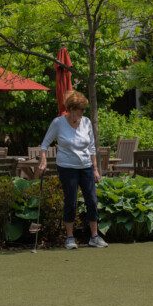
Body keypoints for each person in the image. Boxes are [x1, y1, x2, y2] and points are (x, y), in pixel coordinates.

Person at [37, 90, 108, 249]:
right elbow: (44, 145)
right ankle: (70, 238)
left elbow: (91, 147)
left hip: (86, 167)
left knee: (92, 200)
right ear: (71, 109)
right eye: (79, 110)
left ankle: (94, 237)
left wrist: (95, 169)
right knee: (71, 201)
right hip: (67, 167)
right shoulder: (58, 123)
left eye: (83, 110)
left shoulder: (87, 122)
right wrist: (43, 160)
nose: (82, 113)